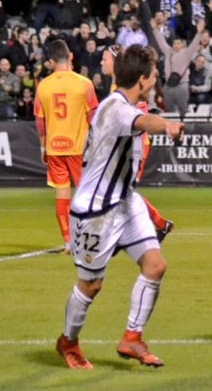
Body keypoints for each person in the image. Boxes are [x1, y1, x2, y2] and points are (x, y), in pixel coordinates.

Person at [55, 44, 184, 370]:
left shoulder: (125, 104)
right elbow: (143, 122)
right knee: (91, 285)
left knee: (155, 266)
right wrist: (167, 126)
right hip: (96, 212)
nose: (156, 79)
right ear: (142, 80)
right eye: (153, 75)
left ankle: (132, 337)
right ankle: (68, 342)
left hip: (125, 202)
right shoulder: (116, 108)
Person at [100, 44, 174, 242]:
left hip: (135, 142)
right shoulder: (115, 85)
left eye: (105, 58)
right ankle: (158, 224)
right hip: (124, 142)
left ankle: (155, 225)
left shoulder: (126, 86)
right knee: (120, 189)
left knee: (122, 190)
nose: (102, 62)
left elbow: (138, 113)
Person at [34, 39, 99, 252]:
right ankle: (90, 237)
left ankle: (68, 241)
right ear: (70, 56)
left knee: (62, 195)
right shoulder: (84, 83)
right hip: (79, 149)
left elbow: (40, 120)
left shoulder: (43, 85)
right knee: (86, 194)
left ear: (51, 62)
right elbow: (94, 116)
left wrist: (43, 147)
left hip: (54, 148)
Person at [150, 18, 201, 117]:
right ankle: (171, 130)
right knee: (169, 110)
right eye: (175, 43)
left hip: (182, 85)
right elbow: (161, 41)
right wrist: (155, 29)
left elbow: (194, 45)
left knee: (183, 110)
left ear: (182, 44)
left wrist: (199, 33)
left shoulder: (186, 53)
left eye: (178, 43)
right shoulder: (168, 51)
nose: (176, 45)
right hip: (168, 84)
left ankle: (186, 129)